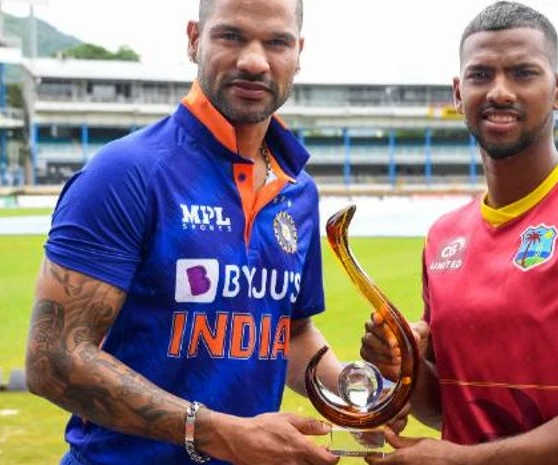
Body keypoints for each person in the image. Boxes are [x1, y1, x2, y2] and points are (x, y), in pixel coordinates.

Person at [360, 2, 558, 464]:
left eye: (523, 73)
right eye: (480, 75)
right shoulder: (444, 237)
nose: (500, 91)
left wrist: (466, 462)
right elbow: (452, 406)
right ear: (458, 93)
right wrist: (403, 367)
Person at [24, 1, 344, 464]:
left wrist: (358, 391)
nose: (254, 61)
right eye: (231, 36)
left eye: (277, 42)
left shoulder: (299, 191)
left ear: (299, 52)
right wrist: (217, 432)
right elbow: (52, 359)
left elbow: (290, 335)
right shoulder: (127, 172)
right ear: (195, 39)